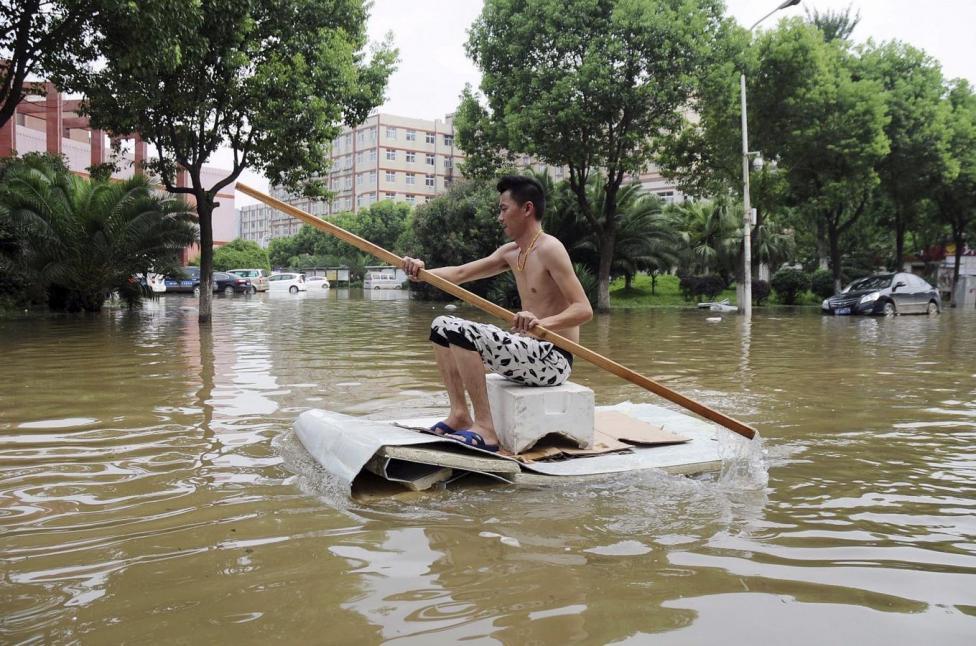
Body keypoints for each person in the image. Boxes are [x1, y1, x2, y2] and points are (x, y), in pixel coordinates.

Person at [401, 175, 593, 452]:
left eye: (504, 209)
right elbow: (459, 273)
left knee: (461, 331)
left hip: (553, 360)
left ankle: (486, 430)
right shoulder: (512, 252)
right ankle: (459, 415)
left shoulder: (551, 248)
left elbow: (583, 309)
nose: (499, 217)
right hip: (528, 351)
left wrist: (542, 323)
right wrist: (420, 272)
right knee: (441, 325)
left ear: (526, 209)